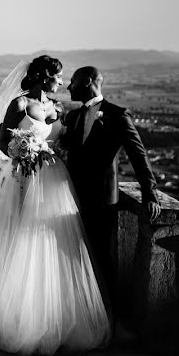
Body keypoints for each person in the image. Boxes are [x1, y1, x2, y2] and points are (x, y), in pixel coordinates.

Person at [0, 55, 110, 356]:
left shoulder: (57, 108)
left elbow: (66, 142)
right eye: (58, 77)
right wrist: (24, 151)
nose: (62, 83)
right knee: (15, 238)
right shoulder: (18, 105)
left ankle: (48, 317)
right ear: (43, 77)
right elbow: (3, 144)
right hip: (23, 178)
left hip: (53, 180)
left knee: (48, 242)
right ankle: (8, 316)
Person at [60, 66, 161, 323]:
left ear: (89, 81)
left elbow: (138, 155)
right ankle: (76, 315)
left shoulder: (117, 115)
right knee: (70, 258)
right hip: (68, 198)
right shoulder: (72, 117)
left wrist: (150, 193)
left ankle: (105, 318)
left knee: (102, 259)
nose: (69, 87)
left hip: (101, 200)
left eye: (73, 82)